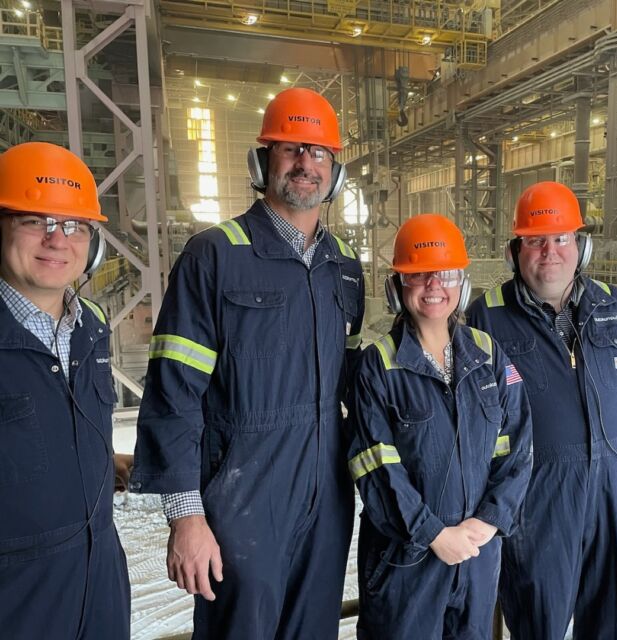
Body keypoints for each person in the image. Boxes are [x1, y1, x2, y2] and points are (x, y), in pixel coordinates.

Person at [130, 87, 365, 639]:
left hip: (326, 498)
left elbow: (357, 380)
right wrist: (186, 517)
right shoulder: (215, 254)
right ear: (263, 162)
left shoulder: (345, 266)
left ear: (336, 173)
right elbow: (174, 393)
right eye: (290, 149)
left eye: (319, 153)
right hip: (241, 500)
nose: (306, 164)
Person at [466, 181, 617, 639]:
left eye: (561, 238)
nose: (550, 252)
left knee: (615, 620)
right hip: (537, 502)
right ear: (514, 251)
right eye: (535, 240)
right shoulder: (486, 317)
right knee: (538, 621)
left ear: (580, 247)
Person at [348, 214, 532, 640]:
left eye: (445, 273)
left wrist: (488, 521)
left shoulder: (489, 354)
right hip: (406, 561)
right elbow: (374, 465)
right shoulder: (378, 366)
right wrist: (433, 533)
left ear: (462, 283)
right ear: (398, 288)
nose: (434, 285)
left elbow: (518, 446)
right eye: (418, 275)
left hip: (477, 552)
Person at [0, 141, 130, 639]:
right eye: (35, 221)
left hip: (99, 585)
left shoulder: (89, 328)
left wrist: (100, 460)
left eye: (74, 225)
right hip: (19, 599)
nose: (58, 240)